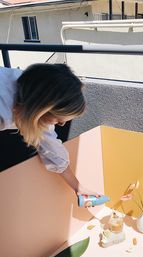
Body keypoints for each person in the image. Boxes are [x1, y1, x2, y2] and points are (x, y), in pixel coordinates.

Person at [0, 63, 98, 198]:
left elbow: (51, 147)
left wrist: (78, 187)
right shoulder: (3, 111)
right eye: (58, 120)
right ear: (41, 110)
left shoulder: (32, 90)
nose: (62, 125)